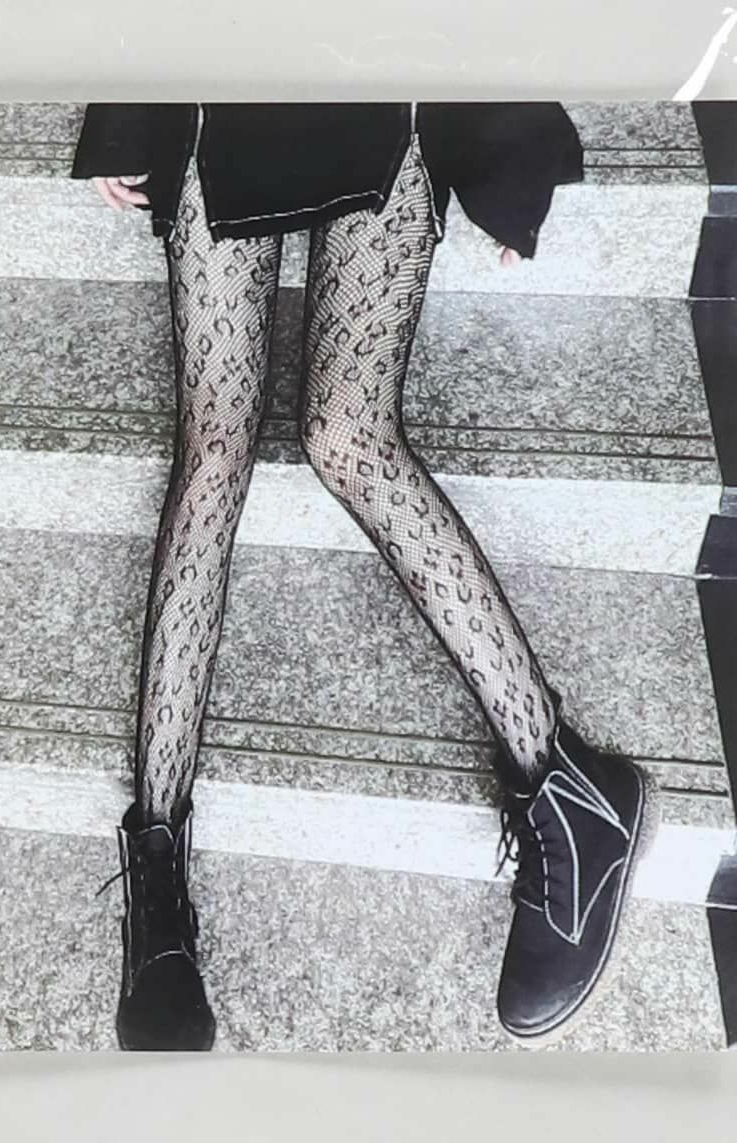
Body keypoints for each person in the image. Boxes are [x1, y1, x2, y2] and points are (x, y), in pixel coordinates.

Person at [70, 102, 652, 1051]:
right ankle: (157, 869)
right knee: (213, 448)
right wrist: (126, 117)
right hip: (229, 84)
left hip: (381, 85)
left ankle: (568, 785)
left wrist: (505, 148)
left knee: (346, 435)